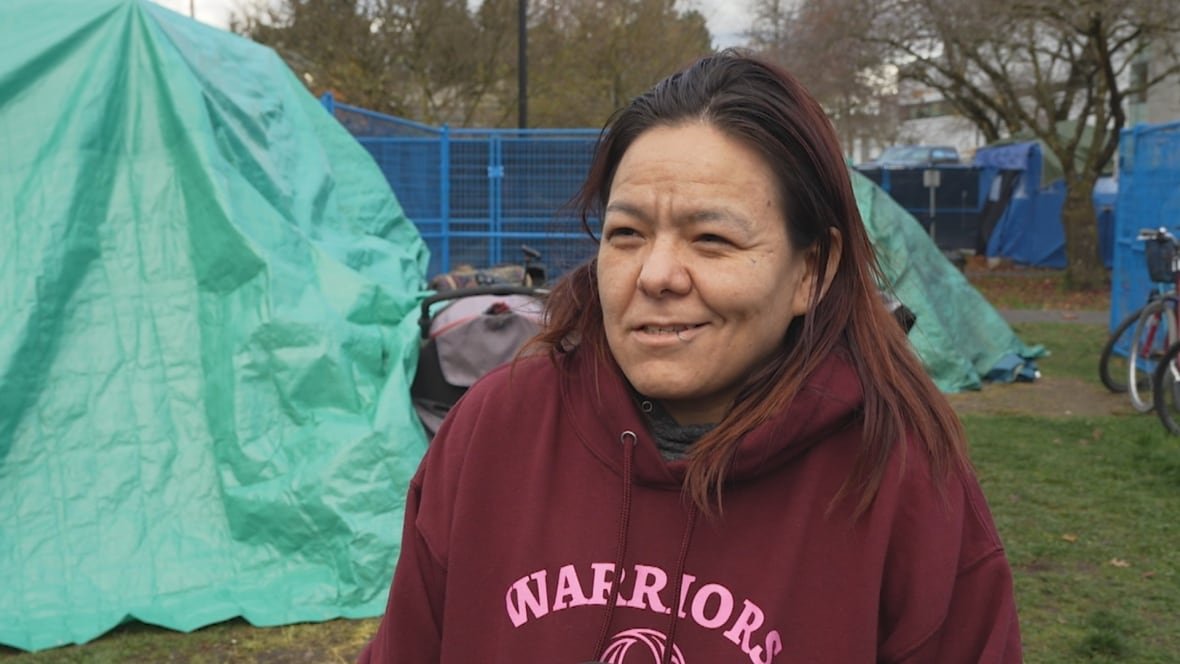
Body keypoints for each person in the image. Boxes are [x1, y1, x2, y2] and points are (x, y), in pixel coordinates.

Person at [358, 50, 1022, 663]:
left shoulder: (899, 478)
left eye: (710, 239)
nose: (656, 275)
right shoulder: (492, 434)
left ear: (811, 271)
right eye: (627, 234)